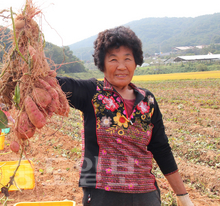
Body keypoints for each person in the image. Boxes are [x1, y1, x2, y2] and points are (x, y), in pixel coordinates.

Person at [57, 26, 193, 206]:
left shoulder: (148, 100)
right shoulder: (92, 92)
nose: (121, 66)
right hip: (100, 194)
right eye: (113, 59)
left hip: (146, 194)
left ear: (136, 62)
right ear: (102, 64)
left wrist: (183, 196)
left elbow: (161, 148)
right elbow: (53, 83)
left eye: (127, 59)